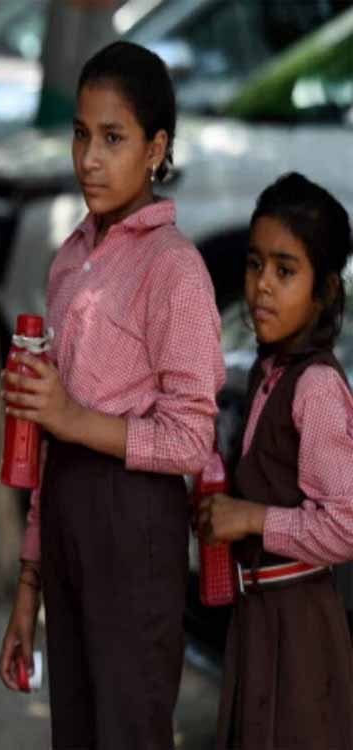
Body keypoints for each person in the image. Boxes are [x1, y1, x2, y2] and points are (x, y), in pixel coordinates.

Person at [0, 41, 225, 748]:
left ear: (156, 149)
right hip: (66, 511)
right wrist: (29, 584)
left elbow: (191, 439)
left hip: (134, 524)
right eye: (81, 135)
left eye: (114, 138)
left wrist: (71, 415)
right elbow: (48, 438)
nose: (90, 158)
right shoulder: (71, 258)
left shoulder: (174, 269)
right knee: (76, 730)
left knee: (128, 729)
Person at [196, 172, 353, 750]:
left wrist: (250, 518)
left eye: (285, 271)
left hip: (301, 631)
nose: (262, 284)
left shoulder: (316, 388)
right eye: (255, 264)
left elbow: (345, 526)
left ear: (324, 292)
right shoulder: (267, 373)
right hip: (257, 618)